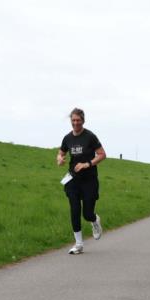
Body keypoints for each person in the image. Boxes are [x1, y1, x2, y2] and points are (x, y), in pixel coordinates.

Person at [56, 108, 105, 254]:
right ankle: (78, 244)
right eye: (73, 120)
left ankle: (95, 220)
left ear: (83, 120)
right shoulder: (67, 138)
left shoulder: (90, 136)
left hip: (89, 179)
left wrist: (87, 164)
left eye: (78, 120)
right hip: (73, 179)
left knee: (87, 213)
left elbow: (102, 154)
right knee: (74, 210)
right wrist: (60, 159)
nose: (75, 123)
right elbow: (61, 153)